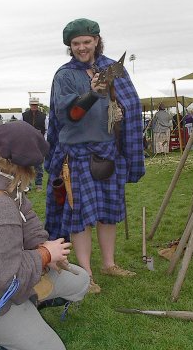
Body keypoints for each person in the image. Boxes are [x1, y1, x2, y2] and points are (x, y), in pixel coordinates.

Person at [0, 121, 89, 350]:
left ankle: (28, 304)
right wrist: (44, 255)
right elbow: (4, 281)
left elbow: (27, 214)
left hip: (5, 277)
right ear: (22, 168)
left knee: (80, 281)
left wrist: (43, 245)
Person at [45, 18, 145, 294]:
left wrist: (119, 111)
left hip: (108, 150)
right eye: (76, 44)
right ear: (70, 47)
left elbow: (128, 103)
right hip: (76, 153)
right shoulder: (64, 76)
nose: (81, 48)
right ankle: (86, 274)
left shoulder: (112, 69)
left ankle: (109, 264)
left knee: (108, 213)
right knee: (81, 216)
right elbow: (71, 115)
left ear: (97, 40)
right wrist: (92, 94)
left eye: (86, 42)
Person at [22, 97, 47, 192]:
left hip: (38, 143)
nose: (34, 106)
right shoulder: (23, 115)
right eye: (32, 104)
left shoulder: (44, 116)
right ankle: (28, 185)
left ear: (38, 105)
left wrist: (43, 140)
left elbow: (47, 129)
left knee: (38, 165)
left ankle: (39, 184)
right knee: (27, 165)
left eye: (35, 105)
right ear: (30, 105)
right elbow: (21, 128)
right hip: (27, 143)